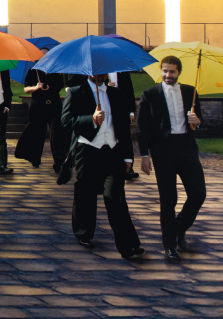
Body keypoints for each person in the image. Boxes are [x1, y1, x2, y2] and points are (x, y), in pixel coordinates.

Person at [61, 73, 144, 259]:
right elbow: (66, 121)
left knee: (115, 197)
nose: (100, 73)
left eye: (103, 70)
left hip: (113, 152)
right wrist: (90, 119)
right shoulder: (75, 92)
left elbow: (123, 127)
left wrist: (128, 157)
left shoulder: (117, 94)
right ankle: (83, 233)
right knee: (85, 194)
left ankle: (128, 245)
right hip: (87, 151)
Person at [137, 55, 206, 261]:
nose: (168, 75)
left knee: (198, 194)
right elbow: (142, 127)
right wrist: (144, 155)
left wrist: (197, 120)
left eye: (172, 71)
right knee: (168, 200)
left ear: (179, 72)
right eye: (165, 71)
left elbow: (197, 122)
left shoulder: (190, 92)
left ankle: (178, 229)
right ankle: (169, 245)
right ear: (161, 71)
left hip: (187, 148)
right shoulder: (150, 94)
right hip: (163, 151)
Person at [14, 62, 67, 170]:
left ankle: (59, 161)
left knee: (56, 132)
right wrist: (36, 87)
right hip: (38, 105)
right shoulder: (33, 72)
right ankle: (35, 159)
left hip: (54, 104)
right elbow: (26, 89)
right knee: (37, 131)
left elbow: (61, 85)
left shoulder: (56, 72)